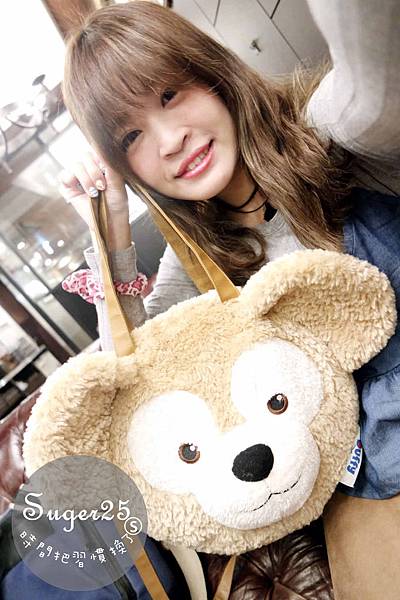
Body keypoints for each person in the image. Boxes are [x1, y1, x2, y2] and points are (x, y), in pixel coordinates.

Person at [59, 1, 400, 596]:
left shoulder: (330, 134)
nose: (170, 140)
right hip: (369, 478)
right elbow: (132, 380)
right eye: (131, 136)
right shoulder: (198, 258)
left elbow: (374, 89)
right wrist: (112, 228)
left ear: (211, 74)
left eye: (170, 94)